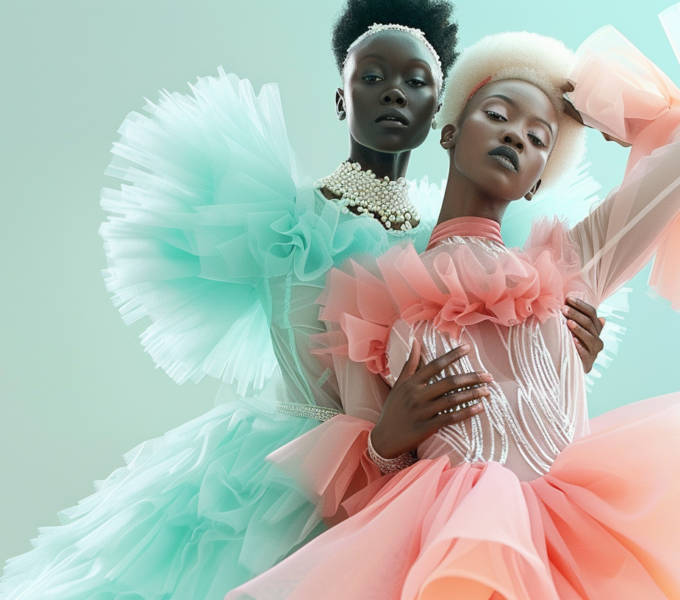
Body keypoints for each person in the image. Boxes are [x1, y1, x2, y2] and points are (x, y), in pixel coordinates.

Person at [226, 4, 680, 599]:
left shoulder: (568, 269)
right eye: (498, 115)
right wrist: (386, 440)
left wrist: (597, 103)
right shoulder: (370, 299)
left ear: (537, 181)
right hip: (441, 547)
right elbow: (354, 496)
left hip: (584, 534)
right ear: (451, 132)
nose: (516, 135)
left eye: (539, 137)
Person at [0, 1, 612, 598]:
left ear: (440, 113)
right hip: (286, 484)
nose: (393, 93)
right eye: (371, 77)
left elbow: (499, 366)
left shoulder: (449, 250)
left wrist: (558, 346)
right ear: (341, 97)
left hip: (413, 491)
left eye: (415, 81)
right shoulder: (277, 216)